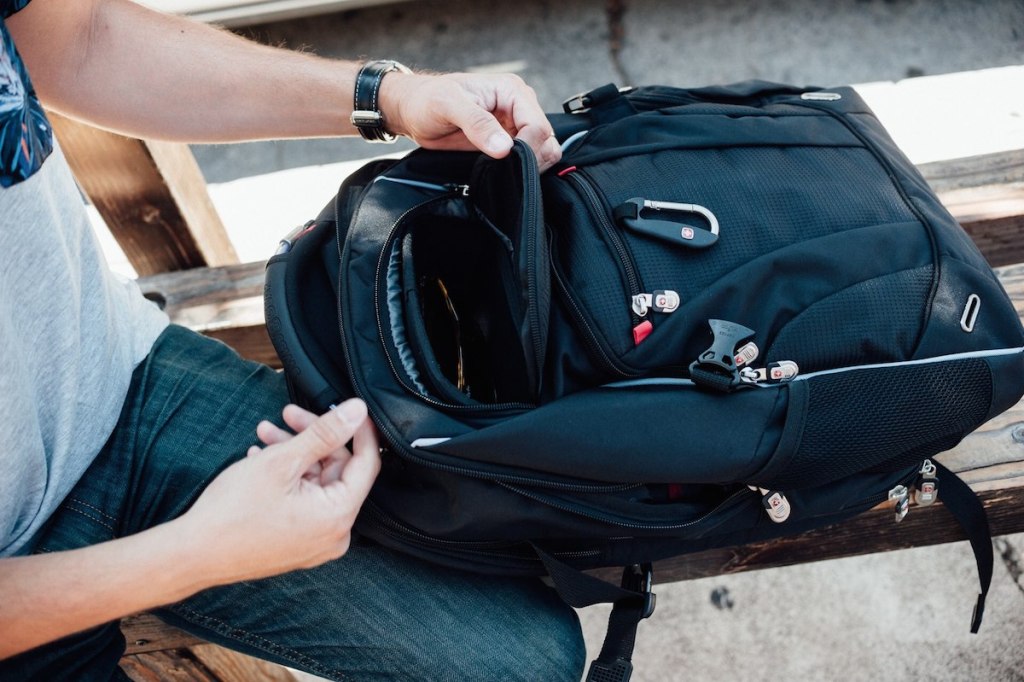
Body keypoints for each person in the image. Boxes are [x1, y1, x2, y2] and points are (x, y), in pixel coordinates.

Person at [0, 0, 584, 679]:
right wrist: (198, 553)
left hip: (114, 384)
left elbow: (81, 39)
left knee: (527, 659)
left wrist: (392, 95)